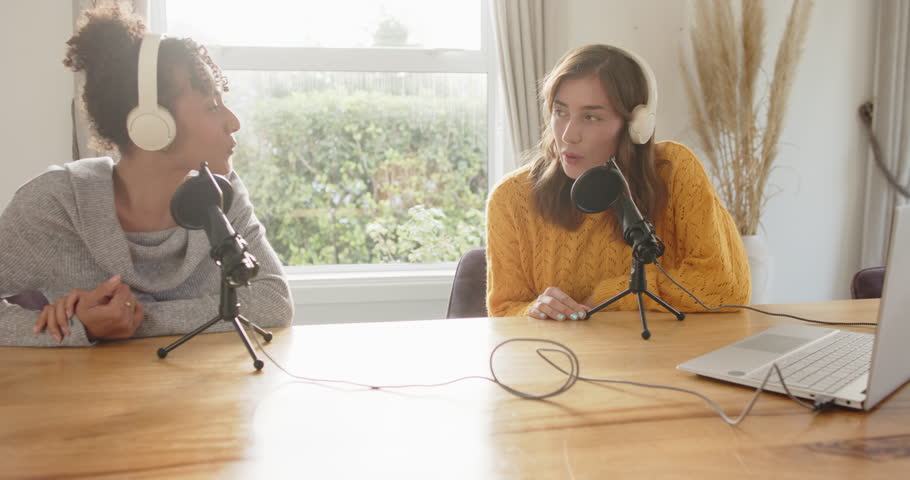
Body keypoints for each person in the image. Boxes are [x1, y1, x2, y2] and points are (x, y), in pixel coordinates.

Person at [0, 4, 293, 346]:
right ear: (152, 124)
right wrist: (81, 328)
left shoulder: (219, 192)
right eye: (211, 106)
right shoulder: (55, 204)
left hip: (199, 394)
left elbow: (273, 301)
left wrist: (132, 319)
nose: (234, 122)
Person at [486, 44, 750, 320]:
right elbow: (504, 310)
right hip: (564, 359)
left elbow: (727, 286)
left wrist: (608, 296)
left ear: (636, 125)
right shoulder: (511, 198)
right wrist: (534, 311)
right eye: (560, 111)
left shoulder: (673, 171)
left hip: (662, 356)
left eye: (590, 117)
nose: (568, 135)